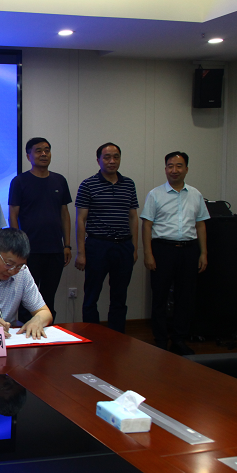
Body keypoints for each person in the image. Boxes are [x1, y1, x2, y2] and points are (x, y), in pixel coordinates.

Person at [141, 151, 209, 355]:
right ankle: (161, 340)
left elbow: (200, 225)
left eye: (179, 166)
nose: (174, 170)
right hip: (163, 250)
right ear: (165, 169)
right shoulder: (155, 194)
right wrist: (148, 253)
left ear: (186, 169)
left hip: (189, 250)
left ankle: (179, 339)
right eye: (170, 166)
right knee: (160, 297)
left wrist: (203, 253)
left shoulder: (195, 194)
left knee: (185, 297)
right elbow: (147, 225)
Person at [74, 143, 139, 333]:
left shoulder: (129, 184)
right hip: (97, 245)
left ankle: (117, 337)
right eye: (107, 157)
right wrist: (81, 253)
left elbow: (133, 217)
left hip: (124, 246)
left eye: (116, 157)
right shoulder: (88, 184)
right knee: (91, 296)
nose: (112, 161)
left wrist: (134, 248)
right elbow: (81, 220)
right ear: (98, 160)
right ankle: (93, 336)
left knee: (120, 296)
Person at [8, 137, 72, 323]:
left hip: (55, 249)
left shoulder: (59, 180)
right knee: (26, 297)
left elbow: (65, 214)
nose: (44, 154)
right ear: (28, 156)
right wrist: (18, 247)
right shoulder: (20, 181)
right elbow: (13, 215)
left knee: (49, 296)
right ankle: (25, 332)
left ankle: (48, 331)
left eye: (47, 150)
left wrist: (67, 245)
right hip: (29, 251)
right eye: (38, 150)